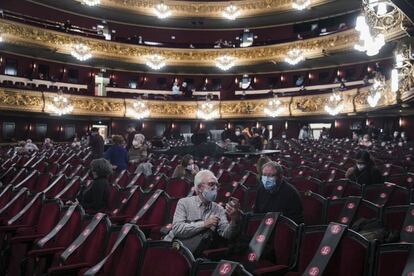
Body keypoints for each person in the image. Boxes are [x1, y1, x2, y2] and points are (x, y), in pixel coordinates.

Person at [164, 170, 241, 247]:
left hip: (194, 251)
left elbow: (226, 235)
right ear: (200, 188)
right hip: (173, 245)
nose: (215, 188)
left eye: (217, 185)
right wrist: (204, 224)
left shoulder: (219, 209)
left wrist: (234, 219)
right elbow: (177, 229)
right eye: (211, 184)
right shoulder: (184, 202)